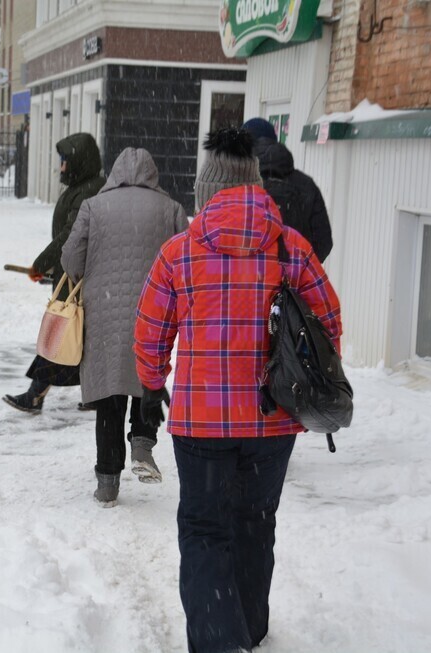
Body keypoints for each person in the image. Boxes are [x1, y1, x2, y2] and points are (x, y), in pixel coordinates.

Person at [134, 127, 342, 652]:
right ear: (256, 188)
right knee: (255, 522)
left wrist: (154, 380)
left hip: (200, 424)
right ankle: (249, 628)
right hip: (274, 420)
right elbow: (328, 322)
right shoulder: (290, 247)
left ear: (205, 194)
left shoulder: (178, 253)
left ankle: (216, 640)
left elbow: (149, 333)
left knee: (205, 529)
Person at [60, 147, 188, 506]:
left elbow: (71, 257)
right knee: (149, 376)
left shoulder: (94, 206)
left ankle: (107, 480)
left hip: (106, 309)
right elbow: (187, 258)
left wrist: (85, 271)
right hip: (156, 310)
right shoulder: (172, 209)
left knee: (110, 393)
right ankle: (143, 443)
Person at [2, 133, 105, 413]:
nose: (61, 168)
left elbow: (69, 236)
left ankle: (36, 395)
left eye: (64, 162)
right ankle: (92, 394)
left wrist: (42, 263)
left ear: (78, 162)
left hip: (76, 276)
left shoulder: (87, 191)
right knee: (79, 335)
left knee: (61, 334)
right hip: (71, 272)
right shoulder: (82, 187)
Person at [241, 117, 333, 263]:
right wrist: (299, 271)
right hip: (295, 282)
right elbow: (323, 242)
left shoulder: (239, 184)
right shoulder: (305, 184)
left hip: (248, 280)